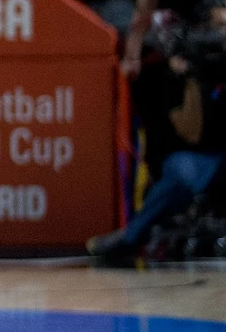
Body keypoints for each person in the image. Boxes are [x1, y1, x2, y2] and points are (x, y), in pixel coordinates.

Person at [88, 20, 226, 258]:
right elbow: (192, 131)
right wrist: (192, 79)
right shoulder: (169, 79)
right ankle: (131, 237)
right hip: (202, 158)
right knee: (184, 170)